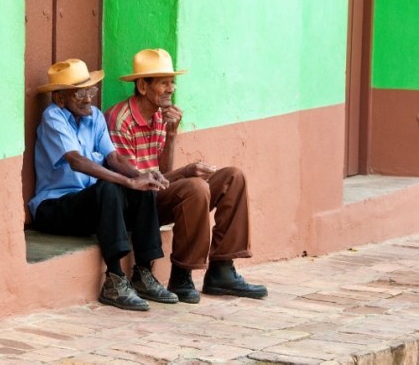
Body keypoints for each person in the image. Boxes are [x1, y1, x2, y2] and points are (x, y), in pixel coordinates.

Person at [105, 48, 268, 304]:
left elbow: (162, 171)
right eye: (163, 83)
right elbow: (138, 182)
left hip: (156, 193)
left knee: (233, 177)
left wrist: (171, 134)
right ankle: (182, 275)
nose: (171, 89)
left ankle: (222, 270)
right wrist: (186, 172)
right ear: (142, 86)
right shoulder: (121, 120)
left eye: (172, 82)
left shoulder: (160, 115)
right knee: (195, 188)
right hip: (136, 204)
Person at [29, 58, 178, 311]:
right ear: (60, 98)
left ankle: (143, 271)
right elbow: (76, 161)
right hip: (53, 207)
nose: (88, 98)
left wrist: (140, 176)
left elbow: (113, 157)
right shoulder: (53, 117)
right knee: (112, 187)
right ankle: (115, 278)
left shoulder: (94, 116)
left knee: (143, 188)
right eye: (80, 93)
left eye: (91, 90)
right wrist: (129, 181)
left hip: (88, 203)